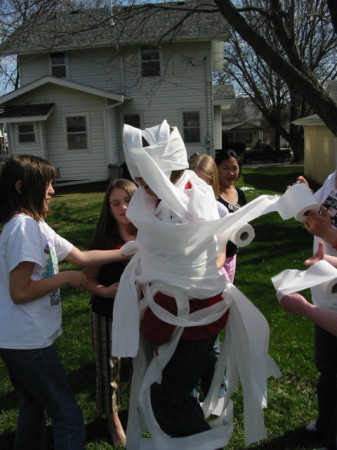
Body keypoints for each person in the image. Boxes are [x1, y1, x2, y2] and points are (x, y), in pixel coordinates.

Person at [111, 121, 280, 450]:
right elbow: (154, 244)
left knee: (169, 397)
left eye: (147, 178)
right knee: (166, 393)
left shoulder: (193, 198)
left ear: (164, 169)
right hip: (169, 312)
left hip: (196, 317)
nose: (141, 186)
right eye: (139, 179)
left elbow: (193, 247)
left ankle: (204, 445)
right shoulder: (155, 201)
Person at [0, 154, 130, 450]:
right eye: (47, 184)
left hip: (18, 339)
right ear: (22, 187)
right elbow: (19, 291)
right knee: (68, 416)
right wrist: (67, 278)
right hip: (26, 341)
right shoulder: (23, 228)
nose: (52, 190)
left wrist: (128, 251)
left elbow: (83, 257)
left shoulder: (36, 226)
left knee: (32, 405)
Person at [84, 178, 137, 448]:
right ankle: (113, 420)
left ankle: (139, 412)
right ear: (108, 206)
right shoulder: (104, 239)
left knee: (139, 366)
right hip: (106, 313)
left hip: (140, 315)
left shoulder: (148, 233)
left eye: (128, 201)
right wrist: (105, 292)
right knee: (109, 369)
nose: (123, 207)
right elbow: (88, 279)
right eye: (116, 202)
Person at [295, 173, 337, 450]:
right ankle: (326, 422)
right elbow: (313, 218)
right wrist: (302, 200)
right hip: (326, 290)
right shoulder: (333, 180)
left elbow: (325, 229)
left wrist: (329, 234)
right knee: (328, 368)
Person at [215, 149, 247, 283]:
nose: (231, 173)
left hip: (233, 255)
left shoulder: (240, 193)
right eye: (225, 168)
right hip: (215, 258)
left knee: (230, 295)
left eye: (235, 168)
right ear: (216, 169)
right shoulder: (211, 194)